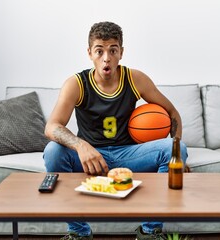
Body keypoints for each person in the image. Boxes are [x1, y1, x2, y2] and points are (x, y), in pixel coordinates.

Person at [43, 21, 188, 240]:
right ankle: (79, 233)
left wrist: (177, 155)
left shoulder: (135, 79)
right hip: (90, 159)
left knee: (176, 149)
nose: (106, 57)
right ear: (90, 53)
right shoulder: (76, 83)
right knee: (53, 151)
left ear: (121, 52)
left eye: (113, 50)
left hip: (128, 156)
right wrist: (81, 145)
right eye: (99, 51)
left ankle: (149, 231)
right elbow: (52, 126)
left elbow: (172, 112)